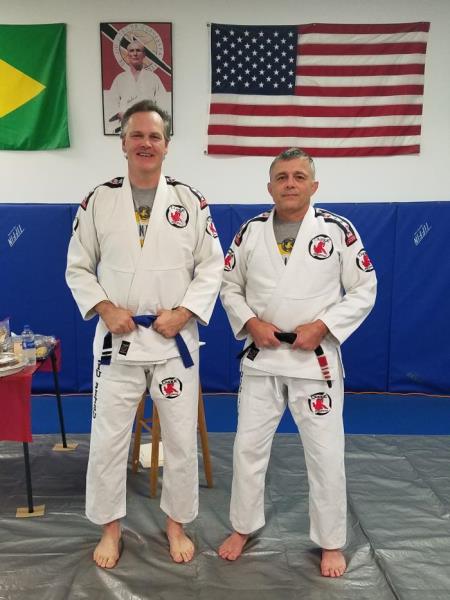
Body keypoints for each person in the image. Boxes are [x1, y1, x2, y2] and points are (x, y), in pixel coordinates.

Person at [66, 100, 223, 568]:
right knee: (108, 440)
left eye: (155, 136)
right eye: (137, 135)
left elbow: (212, 267)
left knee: (179, 441)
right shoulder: (99, 200)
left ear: (167, 145)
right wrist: (105, 308)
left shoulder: (190, 201)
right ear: (123, 144)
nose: (146, 144)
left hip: (174, 342)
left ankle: (176, 525)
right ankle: (110, 530)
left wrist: (186, 312)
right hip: (118, 342)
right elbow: (78, 267)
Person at [218, 148, 377, 577]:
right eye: (282, 177)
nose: (290, 183)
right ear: (270, 187)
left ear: (314, 185)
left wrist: (323, 325)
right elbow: (228, 285)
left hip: (314, 361)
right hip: (263, 359)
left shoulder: (337, 230)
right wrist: (250, 322)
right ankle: (242, 526)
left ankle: (330, 541)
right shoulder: (250, 231)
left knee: (325, 454)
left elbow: (365, 288)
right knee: (248, 449)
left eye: (299, 176)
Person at [107, 40, 170, 130]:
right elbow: (111, 102)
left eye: (138, 50)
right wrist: (120, 114)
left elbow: (163, 103)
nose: (135, 54)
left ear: (144, 55)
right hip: (126, 126)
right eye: (131, 51)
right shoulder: (120, 79)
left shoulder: (153, 78)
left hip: (148, 125)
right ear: (127, 55)